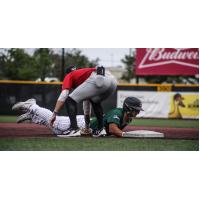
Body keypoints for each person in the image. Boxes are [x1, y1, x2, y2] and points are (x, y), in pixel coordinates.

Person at [12, 96, 143, 137]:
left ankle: (33, 117)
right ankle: (33, 106)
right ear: (129, 108)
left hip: (86, 129)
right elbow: (114, 129)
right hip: (83, 124)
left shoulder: (127, 118)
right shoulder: (118, 113)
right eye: (136, 110)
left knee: (56, 130)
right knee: (57, 124)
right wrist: (128, 135)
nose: (137, 112)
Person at [49, 66, 117, 137]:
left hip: (98, 78)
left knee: (70, 100)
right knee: (95, 101)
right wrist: (87, 127)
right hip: (112, 80)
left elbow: (64, 95)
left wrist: (54, 114)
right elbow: (86, 104)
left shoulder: (69, 75)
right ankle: (101, 129)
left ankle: (74, 129)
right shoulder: (83, 74)